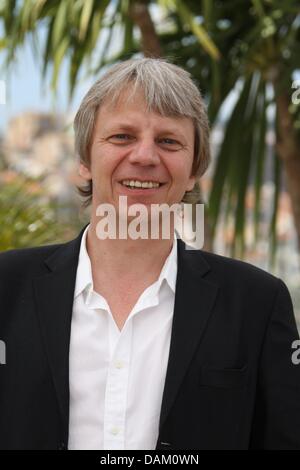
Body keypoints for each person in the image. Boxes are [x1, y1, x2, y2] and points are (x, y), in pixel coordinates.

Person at [0, 57, 299, 450]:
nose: (144, 156)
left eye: (169, 141)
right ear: (85, 160)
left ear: (194, 169)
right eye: (122, 137)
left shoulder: (257, 302)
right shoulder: (5, 286)